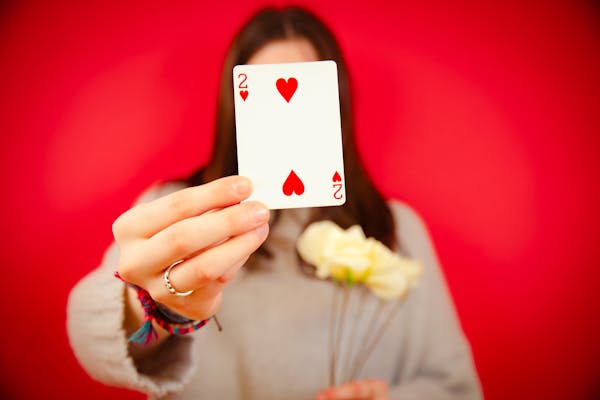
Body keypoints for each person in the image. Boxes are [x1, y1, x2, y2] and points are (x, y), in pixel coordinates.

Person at [67, 7, 482, 400]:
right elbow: (90, 332)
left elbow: (457, 388)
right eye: (269, 93)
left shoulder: (400, 230)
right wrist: (149, 305)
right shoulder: (179, 211)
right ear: (237, 105)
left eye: (304, 89)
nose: (287, 114)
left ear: (335, 102)